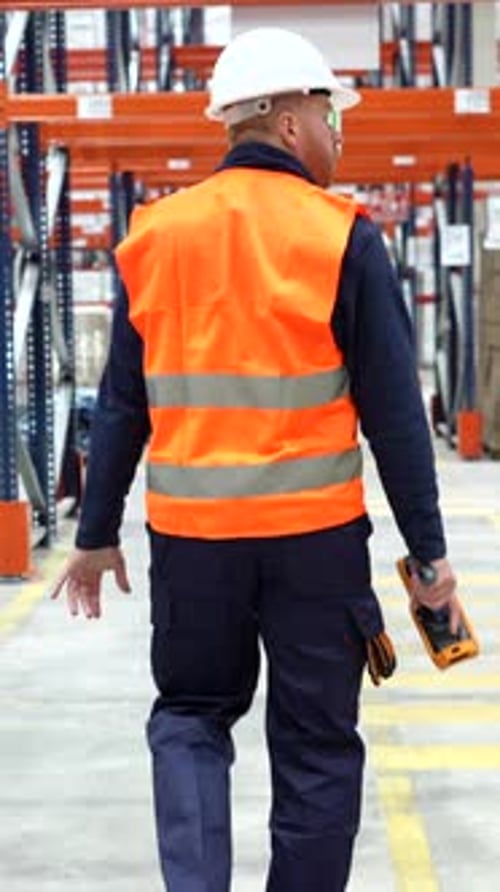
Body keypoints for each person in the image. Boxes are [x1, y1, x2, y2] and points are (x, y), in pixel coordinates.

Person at [52, 27, 461, 892]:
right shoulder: (341, 236)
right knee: (316, 744)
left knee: (192, 717)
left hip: (194, 547)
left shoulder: (155, 236)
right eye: (327, 112)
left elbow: (125, 403)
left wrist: (95, 535)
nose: (337, 134)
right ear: (282, 120)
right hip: (315, 547)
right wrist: (429, 562)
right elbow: (394, 415)